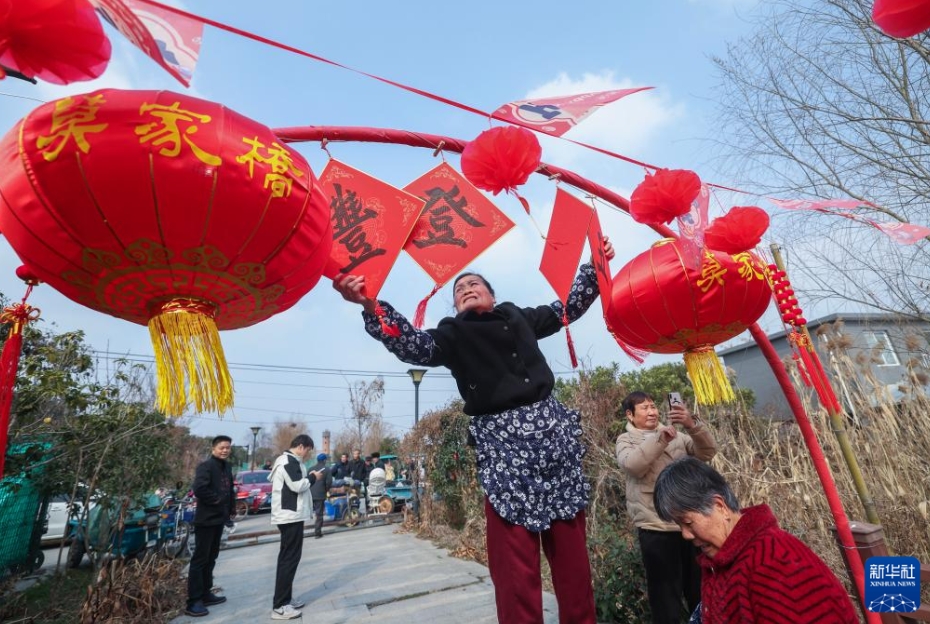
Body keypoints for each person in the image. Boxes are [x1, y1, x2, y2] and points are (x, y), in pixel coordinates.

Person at [333, 238, 614, 624]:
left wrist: (593, 267)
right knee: (515, 566)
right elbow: (412, 344)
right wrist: (370, 305)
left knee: (572, 557)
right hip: (503, 450)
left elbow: (565, 308)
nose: (466, 288)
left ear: (493, 295)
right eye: (459, 289)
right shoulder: (452, 333)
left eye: (474, 284)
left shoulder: (518, 316)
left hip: (554, 440)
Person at [653, 457, 859, 623]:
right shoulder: (723, 560)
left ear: (720, 507)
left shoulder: (773, 562)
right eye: (680, 526)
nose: (686, 535)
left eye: (688, 523)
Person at [615, 391, 716, 624]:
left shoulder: (678, 435)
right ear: (630, 415)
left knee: (699, 590)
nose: (652, 412)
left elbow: (708, 452)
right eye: (644, 408)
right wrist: (661, 439)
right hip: (655, 526)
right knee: (664, 598)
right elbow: (633, 465)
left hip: (690, 523)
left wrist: (691, 424)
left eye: (653, 406)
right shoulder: (626, 440)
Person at [269, 434, 322, 620]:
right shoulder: (288, 461)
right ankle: (280, 606)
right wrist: (313, 477)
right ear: (301, 446)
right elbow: (298, 485)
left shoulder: (290, 460)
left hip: (290, 516)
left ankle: (286, 599)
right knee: (288, 559)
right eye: (308, 450)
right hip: (289, 517)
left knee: (289, 558)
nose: (307, 454)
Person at [185, 435, 236, 618]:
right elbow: (199, 488)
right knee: (200, 560)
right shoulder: (206, 466)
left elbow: (229, 489)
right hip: (206, 520)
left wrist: (230, 509)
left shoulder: (226, 467)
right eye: (222, 447)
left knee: (211, 558)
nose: (225, 450)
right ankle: (193, 601)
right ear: (213, 448)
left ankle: (206, 594)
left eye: (228, 447)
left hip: (219, 519)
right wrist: (217, 500)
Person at [308, 452, 332, 539]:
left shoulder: (311, 468)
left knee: (307, 513)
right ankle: (317, 533)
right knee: (319, 514)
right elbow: (329, 482)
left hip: (310, 493)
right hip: (320, 494)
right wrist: (326, 490)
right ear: (324, 460)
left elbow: (307, 480)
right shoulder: (327, 469)